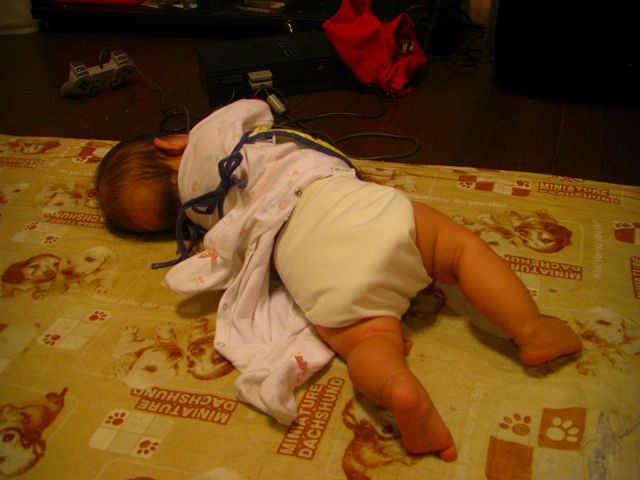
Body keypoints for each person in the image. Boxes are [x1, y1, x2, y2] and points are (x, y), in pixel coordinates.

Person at [96, 99, 582, 461]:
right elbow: (255, 108)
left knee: (368, 338)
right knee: (459, 251)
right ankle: (531, 329)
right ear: (171, 143)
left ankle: (398, 388)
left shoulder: (212, 222)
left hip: (303, 258)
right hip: (347, 205)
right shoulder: (217, 138)